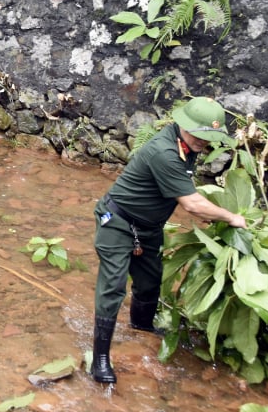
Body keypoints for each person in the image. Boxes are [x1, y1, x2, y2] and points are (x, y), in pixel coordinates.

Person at [90, 96, 247, 384]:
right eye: (201, 134)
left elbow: (181, 190)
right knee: (112, 288)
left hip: (148, 228)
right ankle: (99, 359)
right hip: (118, 223)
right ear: (184, 125)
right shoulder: (164, 151)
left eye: (210, 136)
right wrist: (231, 217)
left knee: (150, 281)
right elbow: (191, 203)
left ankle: (141, 327)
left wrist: (206, 210)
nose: (205, 142)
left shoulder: (188, 146)